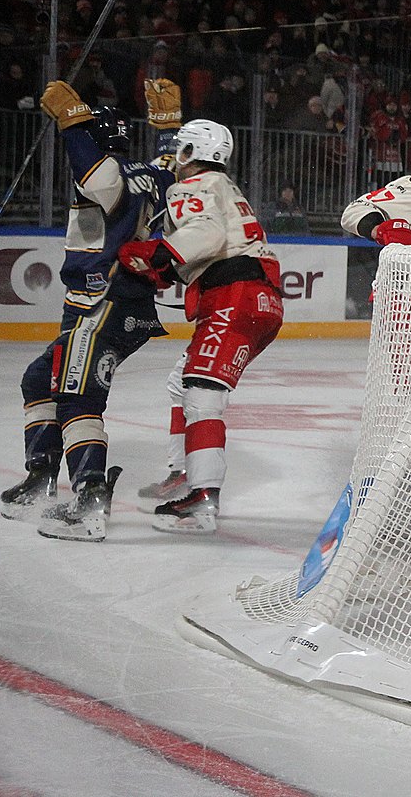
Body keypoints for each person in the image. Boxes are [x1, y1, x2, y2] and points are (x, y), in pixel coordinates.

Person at [0, 82, 176, 541]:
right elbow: (169, 165)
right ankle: (42, 477)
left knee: (78, 396)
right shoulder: (150, 174)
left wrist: (72, 122)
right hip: (116, 305)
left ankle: (90, 500)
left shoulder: (109, 175)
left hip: (104, 303)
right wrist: (166, 128)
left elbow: (93, 173)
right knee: (39, 380)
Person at [119, 118, 284, 533]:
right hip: (260, 299)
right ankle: (182, 474)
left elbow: (206, 235)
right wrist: (169, 268)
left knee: (202, 392)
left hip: (234, 296)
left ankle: (203, 497)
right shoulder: (226, 188)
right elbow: (213, 247)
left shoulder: (191, 186)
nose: (175, 156)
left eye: (180, 149)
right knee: (183, 382)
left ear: (191, 152)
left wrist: (158, 254)